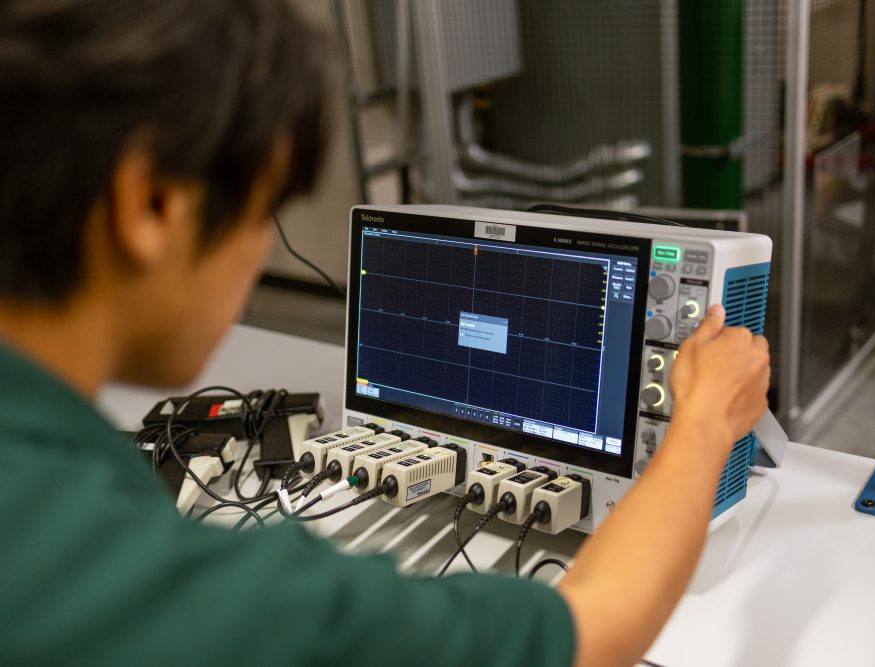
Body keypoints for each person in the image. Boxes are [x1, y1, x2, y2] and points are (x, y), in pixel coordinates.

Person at [0, 1, 771, 666]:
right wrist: (701, 422)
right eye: (262, 209)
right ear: (153, 203)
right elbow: (592, 628)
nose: (259, 255)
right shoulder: (178, 589)